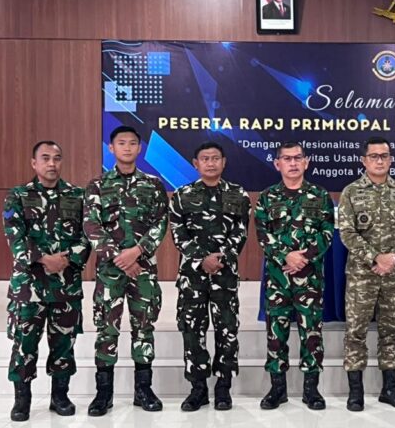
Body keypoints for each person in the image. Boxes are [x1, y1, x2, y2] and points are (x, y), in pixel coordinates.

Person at [2, 141, 91, 422]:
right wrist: (42, 258)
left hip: (66, 286)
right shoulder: (18, 195)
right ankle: (22, 399)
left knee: (64, 343)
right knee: (24, 344)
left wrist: (67, 259)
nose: (52, 163)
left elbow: (88, 235)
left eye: (57, 158)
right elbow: (14, 235)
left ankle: (59, 396)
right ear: (34, 163)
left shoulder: (77, 195)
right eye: (45, 158)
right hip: (29, 286)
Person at [83, 125, 168, 416]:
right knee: (107, 329)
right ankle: (103, 394)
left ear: (139, 148)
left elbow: (160, 223)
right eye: (121, 143)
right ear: (111, 148)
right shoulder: (97, 185)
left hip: (143, 269)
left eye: (133, 143)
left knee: (144, 327)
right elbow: (91, 225)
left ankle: (143, 390)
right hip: (110, 271)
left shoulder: (153, 184)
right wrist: (118, 257)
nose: (127, 147)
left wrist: (137, 253)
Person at [339, 136, 395, 412]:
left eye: (384, 156)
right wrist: (375, 257)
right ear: (364, 160)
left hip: (394, 275)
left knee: (392, 331)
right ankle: (356, 391)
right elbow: (347, 233)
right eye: (374, 156)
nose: (379, 160)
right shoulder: (351, 192)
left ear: (391, 159)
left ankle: (389, 388)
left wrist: (392, 257)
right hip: (361, 274)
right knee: (356, 332)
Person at [169, 142, 250, 412]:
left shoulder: (238, 194)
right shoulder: (182, 195)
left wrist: (220, 258)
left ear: (224, 162)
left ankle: (223, 387)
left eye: (216, 158)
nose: (211, 163)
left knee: (227, 329)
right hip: (192, 276)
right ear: (196, 164)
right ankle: (198, 388)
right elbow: (178, 234)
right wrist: (202, 258)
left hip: (225, 275)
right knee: (192, 329)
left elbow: (240, 232)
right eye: (205, 158)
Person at [254, 142, 335, 411]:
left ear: (306, 162)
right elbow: (263, 234)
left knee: (311, 332)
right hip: (278, 279)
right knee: (275, 334)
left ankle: (311, 390)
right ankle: (277, 389)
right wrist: (285, 256)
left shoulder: (320, 195)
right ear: (277, 164)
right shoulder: (267, 197)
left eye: (297, 158)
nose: (292, 163)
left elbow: (327, 232)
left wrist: (304, 257)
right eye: (287, 159)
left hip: (309, 278)